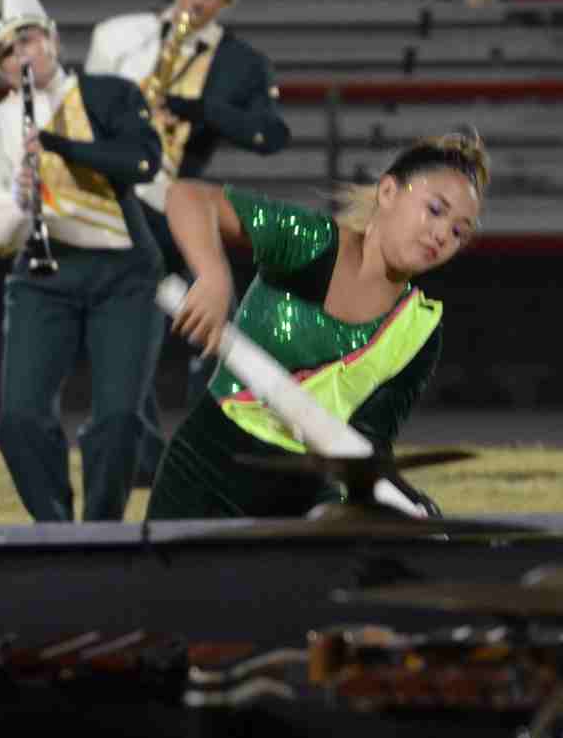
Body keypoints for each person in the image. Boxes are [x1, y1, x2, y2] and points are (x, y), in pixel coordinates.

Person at [84, 0, 290, 483]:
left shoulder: (242, 62)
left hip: (178, 204)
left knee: (212, 330)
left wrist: (202, 108)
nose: (197, 1)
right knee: (127, 338)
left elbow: (271, 135)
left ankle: (216, 447)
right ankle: (140, 455)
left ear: (229, 1)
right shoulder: (120, 36)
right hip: (118, 203)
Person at [148, 131, 488, 519]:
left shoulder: (419, 331)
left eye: (459, 232)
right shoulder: (311, 243)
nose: (442, 235)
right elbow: (189, 197)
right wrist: (212, 275)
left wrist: (407, 502)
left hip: (304, 497)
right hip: (203, 475)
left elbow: (368, 445)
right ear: (389, 192)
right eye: (435, 209)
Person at [0, 0, 165, 522]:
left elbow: (142, 160)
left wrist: (58, 147)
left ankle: (101, 531)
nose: (22, 56)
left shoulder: (109, 94)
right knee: (19, 421)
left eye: (29, 39)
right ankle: (54, 528)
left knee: (120, 419)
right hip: (43, 275)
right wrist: (21, 203)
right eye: (7, 52)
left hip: (124, 273)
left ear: (53, 39)